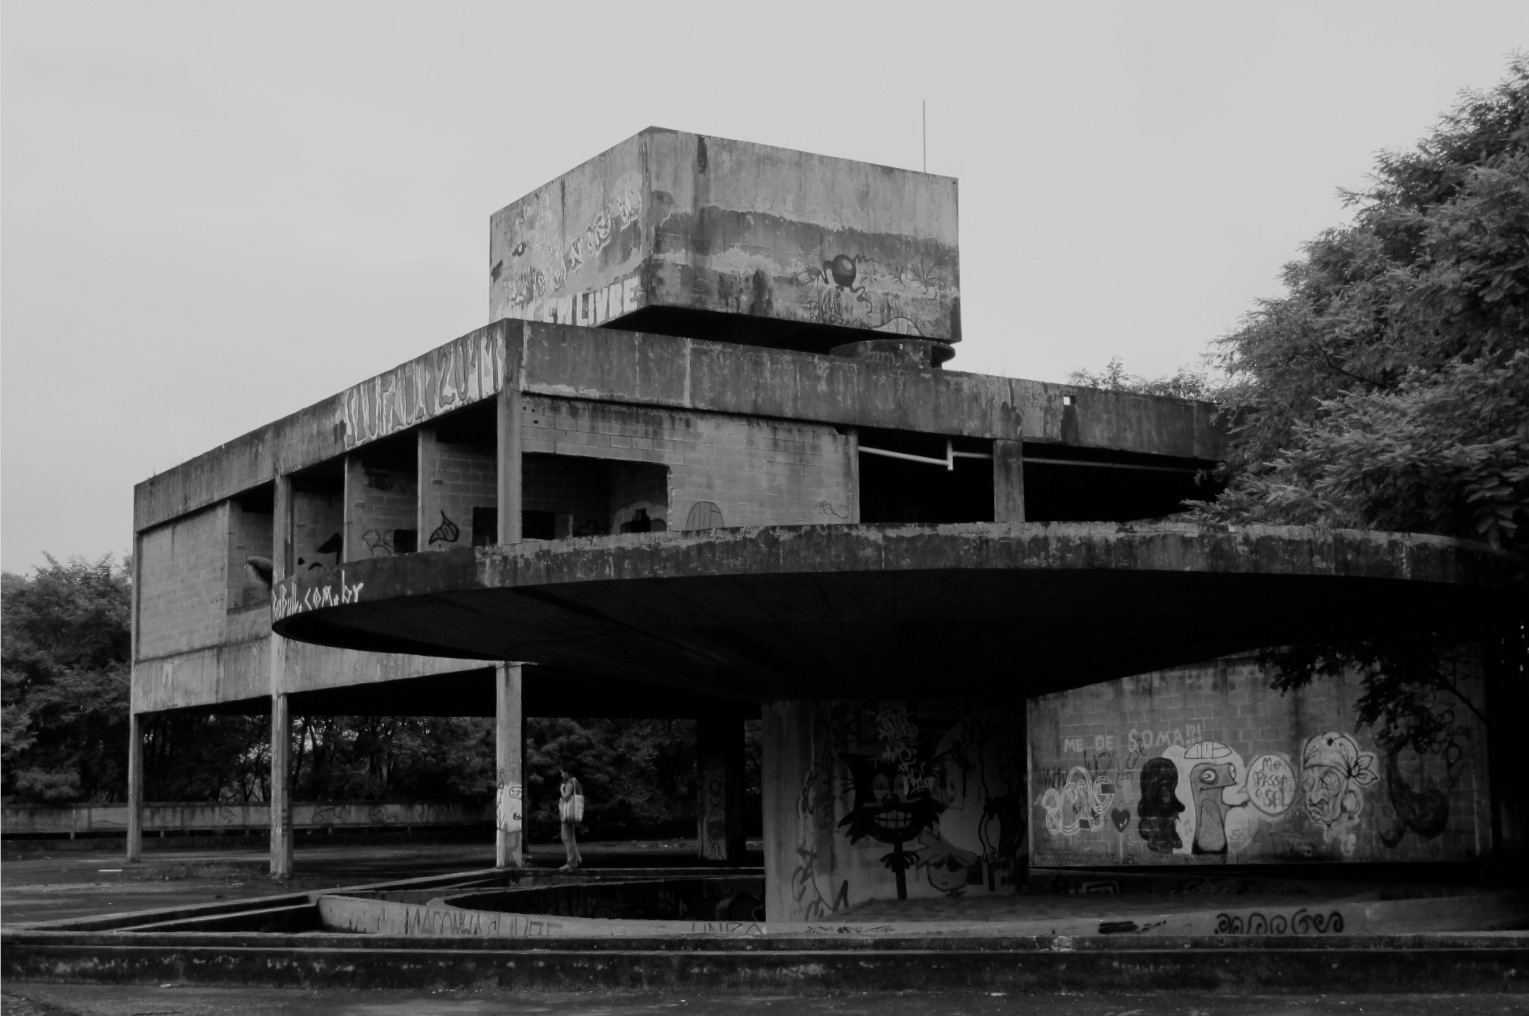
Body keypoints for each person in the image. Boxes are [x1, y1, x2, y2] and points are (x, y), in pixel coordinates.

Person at [558, 769, 583, 870]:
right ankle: (577, 858)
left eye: (563, 772)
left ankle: (571, 862)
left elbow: (566, 797)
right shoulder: (576, 782)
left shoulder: (569, 783)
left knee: (566, 838)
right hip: (573, 813)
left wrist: (561, 789)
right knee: (570, 837)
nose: (562, 774)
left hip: (568, 814)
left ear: (567, 772)